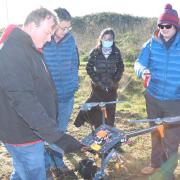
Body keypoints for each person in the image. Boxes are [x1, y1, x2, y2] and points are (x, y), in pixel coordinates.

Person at [0, 8, 82, 180]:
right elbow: (24, 101)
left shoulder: (28, 47)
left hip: (29, 130)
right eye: (47, 32)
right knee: (33, 174)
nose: (50, 38)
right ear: (32, 25)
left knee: (22, 171)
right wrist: (57, 137)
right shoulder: (14, 52)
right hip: (23, 134)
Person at [134, 4, 180, 180]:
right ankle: (155, 164)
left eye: (167, 26)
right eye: (160, 25)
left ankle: (168, 173)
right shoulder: (151, 43)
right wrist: (142, 70)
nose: (163, 29)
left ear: (175, 26)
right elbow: (138, 62)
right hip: (153, 97)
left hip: (175, 100)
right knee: (155, 131)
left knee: (171, 139)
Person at [43, 7, 79, 174]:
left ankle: (57, 162)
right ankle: (45, 165)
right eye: (62, 28)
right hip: (47, 98)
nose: (65, 31)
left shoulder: (70, 40)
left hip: (66, 96)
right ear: (53, 24)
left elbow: (75, 62)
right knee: (45, 132)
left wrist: (73, 83)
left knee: (61, 131)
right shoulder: (43, 40)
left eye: (68, 28)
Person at [74, 28, 124, 128]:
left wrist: (115, 80)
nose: (107, 41)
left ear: (113, 40)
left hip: (111, 88)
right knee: (92, 107)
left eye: (110, 39)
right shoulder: (95, 52)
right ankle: (87, 124)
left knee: (110, 112)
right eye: (105, 39)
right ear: (101, 39)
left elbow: (121, 67)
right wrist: (97, 81)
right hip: (98, 87)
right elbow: (89, 67)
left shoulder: (116, 52)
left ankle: (109, 132)